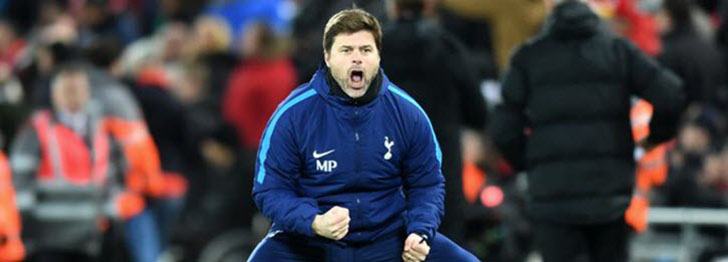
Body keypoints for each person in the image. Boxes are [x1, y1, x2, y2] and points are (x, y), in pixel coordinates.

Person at [248, 8, 479, 262]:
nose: (356, 59)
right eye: (346, 50)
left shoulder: (409, 113)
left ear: (379, 56)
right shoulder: (292, 115)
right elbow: (270, 190)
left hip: (388, 239)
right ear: (327, 57)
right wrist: (314, 221)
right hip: (309, 242)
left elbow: (427, 184)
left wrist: (419, 232)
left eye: (366, 50)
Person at [489, 0, 685, 261]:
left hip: (551, 196)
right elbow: (670, 93)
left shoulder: (529, 57)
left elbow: (503, 128)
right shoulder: (618, 51)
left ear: (550, 10)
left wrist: (530, 163)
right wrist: (655, 137)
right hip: (609, 195)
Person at [10, 64, 145, 262]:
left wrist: (111, 219)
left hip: (90, 239)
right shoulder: (36, 130)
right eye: (67, 90)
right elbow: (20, 181)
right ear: (55, 95)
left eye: (78, 89)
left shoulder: (102, 131)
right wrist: (26, 227)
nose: (73, 95)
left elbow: (113, 178)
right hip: (48, 239)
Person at [381, 0, 487, 245]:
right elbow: (478, 111)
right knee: (443, 239)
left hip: (387, 162)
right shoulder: (447, 46)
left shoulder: (376, 51)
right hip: (441, 161)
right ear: (428, 6)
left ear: (393, 7)